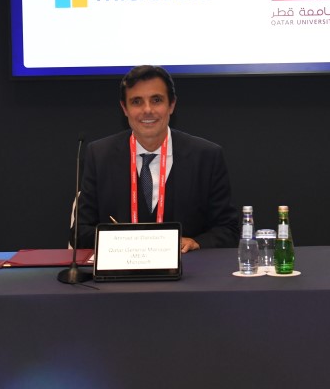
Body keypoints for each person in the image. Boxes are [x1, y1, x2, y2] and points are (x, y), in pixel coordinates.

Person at [77, 65, 239, 252]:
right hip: (122, 267)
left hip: (188, 268)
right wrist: (121, 240)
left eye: (156, 100)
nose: (147, 110)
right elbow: (80, 232)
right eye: (136, 101)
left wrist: (197, 243)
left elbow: (228, 230)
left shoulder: (206, 156)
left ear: (171, 105)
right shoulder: (99, 155)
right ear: (124, 108)